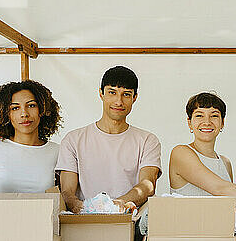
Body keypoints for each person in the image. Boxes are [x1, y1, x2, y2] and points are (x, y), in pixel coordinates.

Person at [56, 66, 161, 213]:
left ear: (134, 98)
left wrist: (119, 204)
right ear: (101, 93)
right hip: (84, 221)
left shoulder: (147, 140)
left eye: (126, 94)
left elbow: (148, 185)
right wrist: (83, 209)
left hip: (129, 221)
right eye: (112, 92)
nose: (118, 101)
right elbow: (67, 192)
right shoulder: (73, 139)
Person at [169, 92, 236, 208]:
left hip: (219, 225)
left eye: (214, 115)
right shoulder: (181, 152)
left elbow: (227, 199)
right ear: (190, 123)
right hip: (187, 225)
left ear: (222, 123)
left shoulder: (225, 163)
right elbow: (220, 188)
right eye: (199, 115)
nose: (207, 122)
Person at [0, 80, 61, 193]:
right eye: (15, 108)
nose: (24, 114)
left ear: (43, 110)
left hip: (42, 211)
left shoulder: (57, 152)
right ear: (5, 114)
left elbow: (63, 197)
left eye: (31, 105)